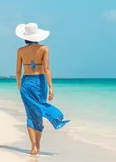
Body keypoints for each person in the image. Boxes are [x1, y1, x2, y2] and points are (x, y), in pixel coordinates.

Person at [14, 22, 70, 155]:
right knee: (38, 112)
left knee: (30, 114)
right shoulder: (45, 48)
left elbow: (17, 71)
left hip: (26, 83)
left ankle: (33, 146)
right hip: (40, 82)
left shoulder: (21, 51)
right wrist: (51, 87)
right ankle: (38, 144)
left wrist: (19, 84)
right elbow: (46, 69)